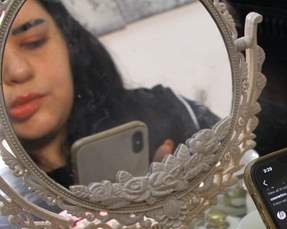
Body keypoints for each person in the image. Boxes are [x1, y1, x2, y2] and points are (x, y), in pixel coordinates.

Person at [2, 0, 218, 188]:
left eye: (34, 42)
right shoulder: (9, 196)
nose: (18, 71)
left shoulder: (166, 114)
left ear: (68, 42)